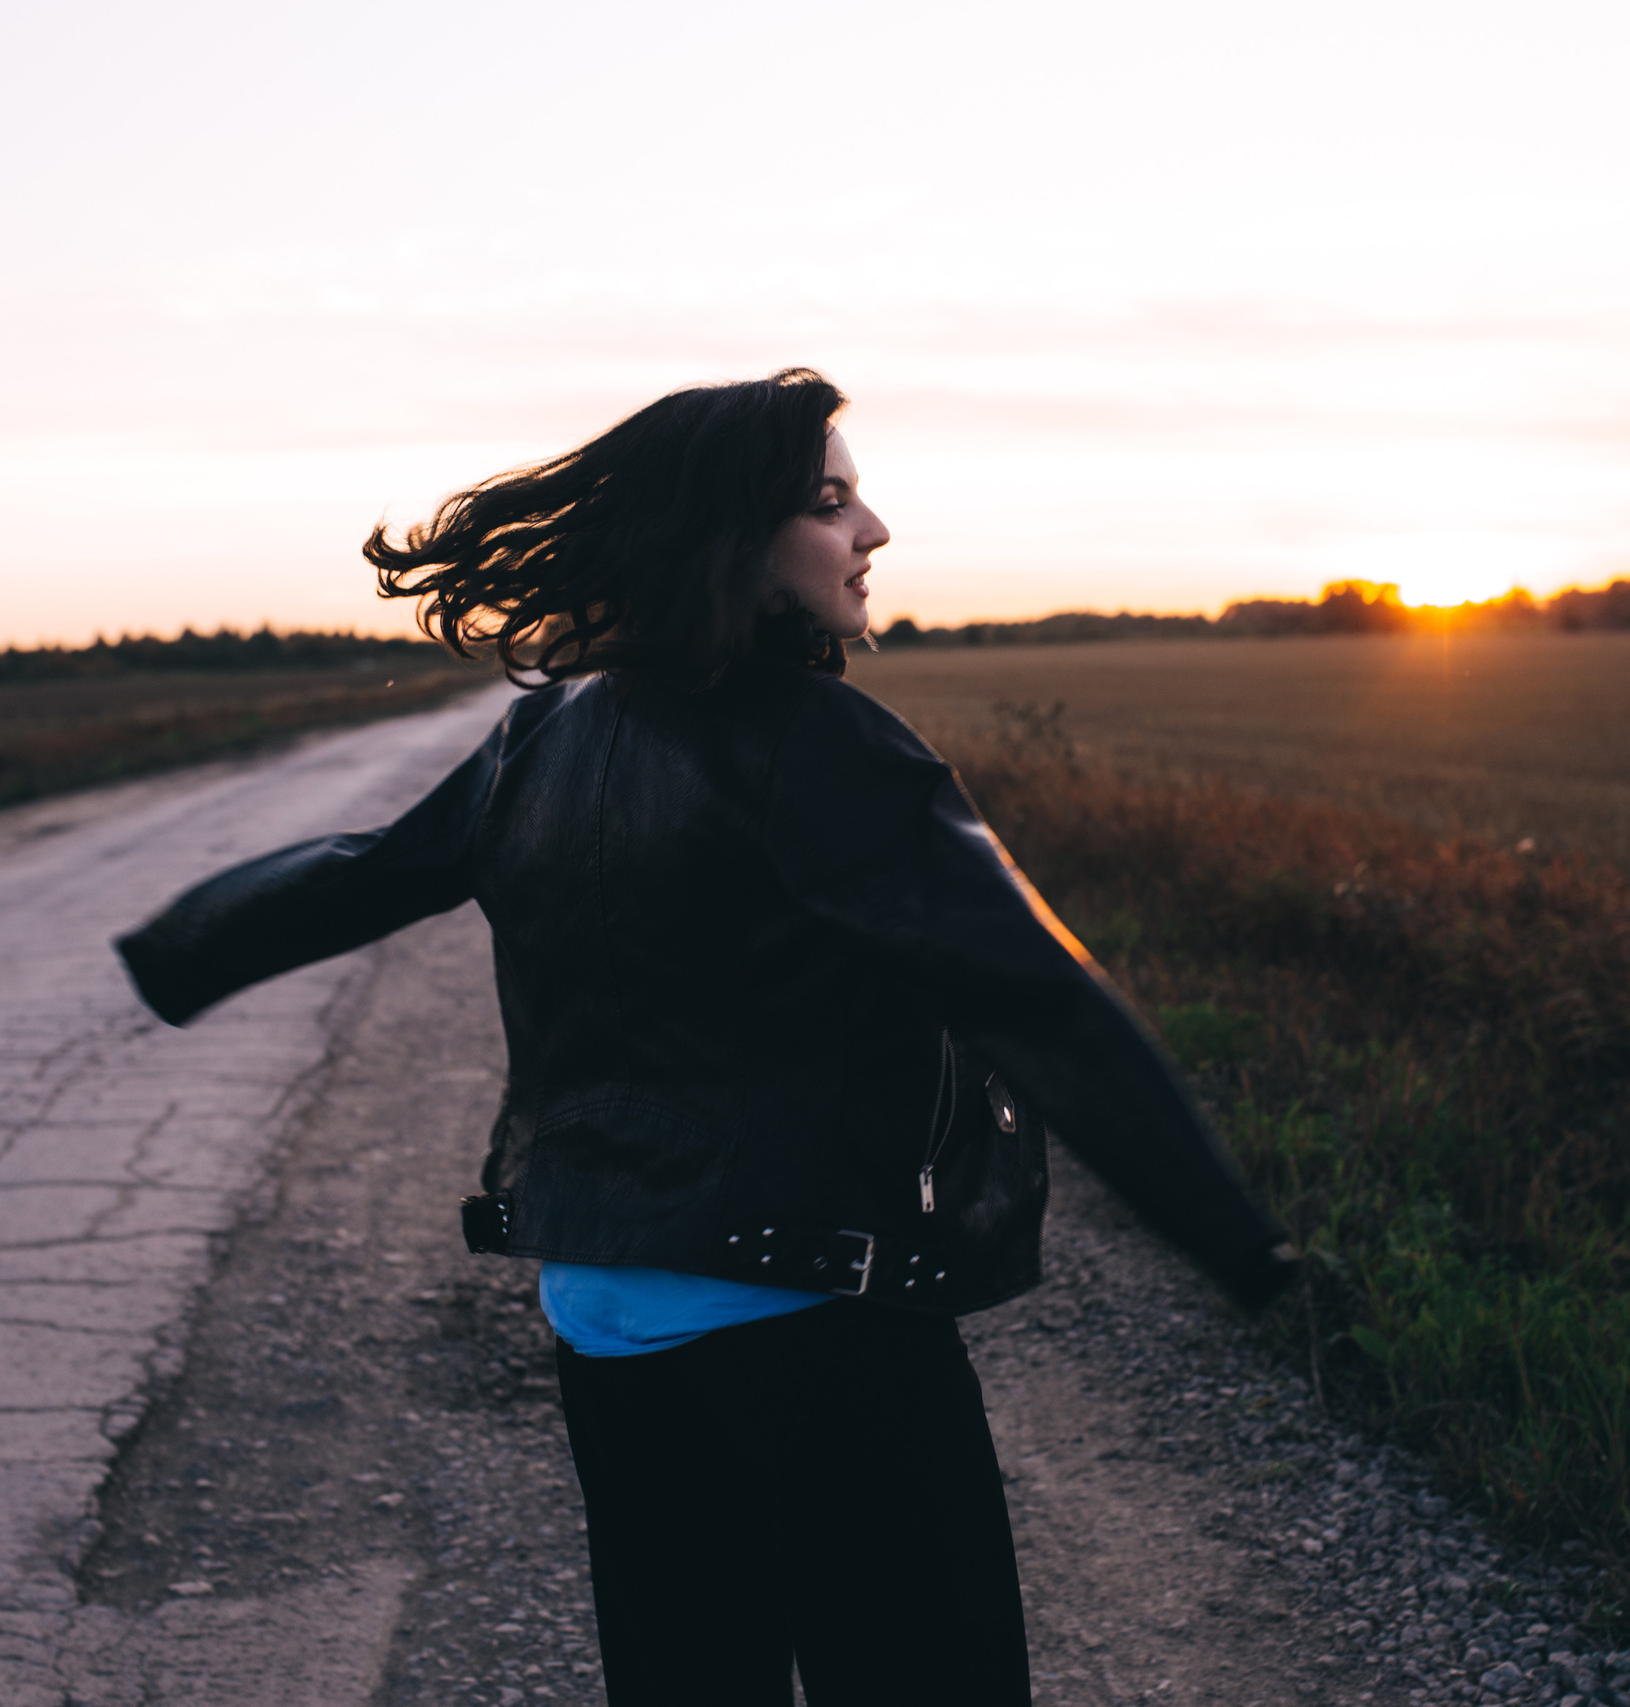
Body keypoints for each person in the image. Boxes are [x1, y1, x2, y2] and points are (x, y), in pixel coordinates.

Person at [114, 368, 1297, 1704]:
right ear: (734, 536)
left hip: (610, 1326)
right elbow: (1034, 995)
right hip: (822, 1332)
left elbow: (362, 871)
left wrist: (178, 950)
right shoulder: (826, 744)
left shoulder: (537, 739)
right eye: (831, 503)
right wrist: (1238, 1245)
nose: (874, 531)